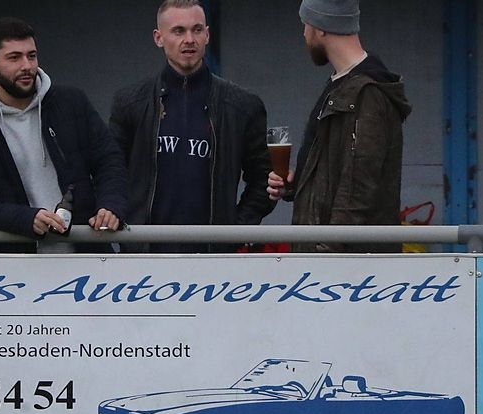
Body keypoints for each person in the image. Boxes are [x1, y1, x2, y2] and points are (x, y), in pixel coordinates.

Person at [109, 0, 274, 253]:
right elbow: (111, 173)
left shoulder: (242, 106)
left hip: (214, 260)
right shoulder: (131, 102)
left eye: (197, 30)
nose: (189, 39)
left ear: (207, 35)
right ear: (158, 38)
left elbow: (264, 179)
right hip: (144, 258)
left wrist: (234, 232)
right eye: (178, 31)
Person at [0, 17, 126, 254]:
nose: (27, 66)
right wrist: (25, 219)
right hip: (19, 265)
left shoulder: (71, 103)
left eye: (31, 56)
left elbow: (109, 159)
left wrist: (110, 205)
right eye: (14, 57)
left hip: (89, 256)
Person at [266, 0, 412, 253]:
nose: (304, 34)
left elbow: (357, 189)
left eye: (306, 24)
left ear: (321, 27)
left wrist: (326, 255)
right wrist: (298, 182)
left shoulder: (366, 93)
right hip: (333, 261)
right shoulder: (344, 86)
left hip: (345, 267)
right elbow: (343, 174)